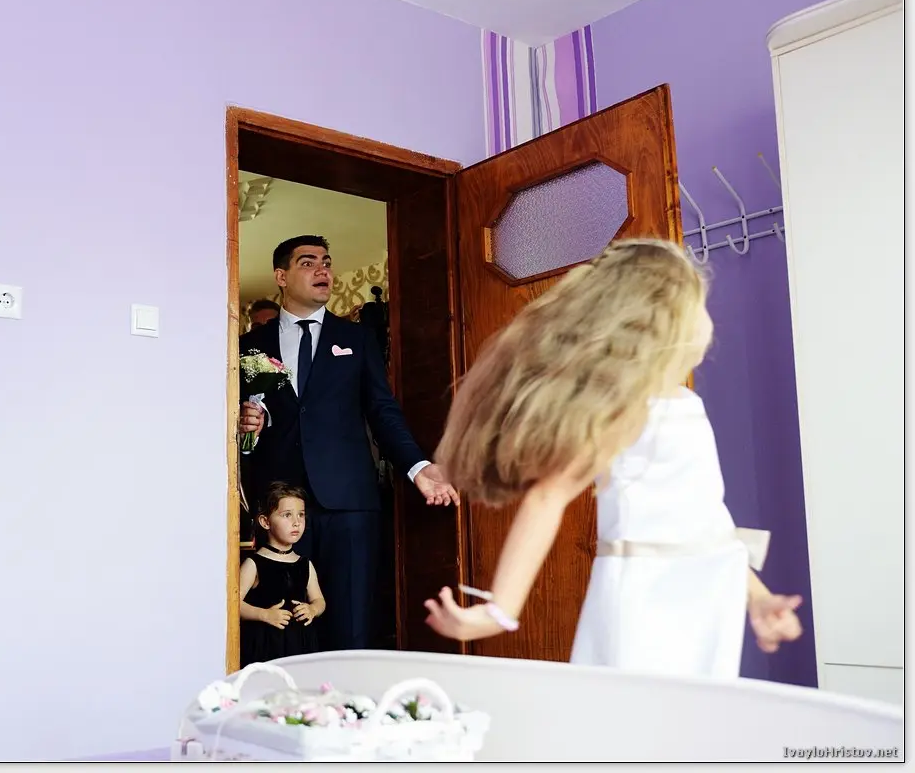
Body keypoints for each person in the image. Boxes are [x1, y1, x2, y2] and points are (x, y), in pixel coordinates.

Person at [423, 239, 803, 678]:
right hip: (647, 598)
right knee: (633, 712)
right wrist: (500, 611)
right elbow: (547, 497)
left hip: (710, 594)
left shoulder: (685, 403)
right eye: (697, 306)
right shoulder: (621, 409)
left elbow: (707, 526)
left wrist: (758, 598)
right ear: (666, 321)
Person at [238, 235, 459, 652]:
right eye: (308, 263)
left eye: (326, 262)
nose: (323, 270)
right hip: (281, 504)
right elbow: (243, 421)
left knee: (352, 619)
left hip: (349, 503)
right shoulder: (251, 346)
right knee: (284, 622)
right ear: (281, 276)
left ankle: (351, 693)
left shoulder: (356, 338)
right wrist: (244, 427)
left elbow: (382, 411)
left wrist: (417, 466)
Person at [239, 483, 324, 666]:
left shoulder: (305, 564)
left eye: (301, 514)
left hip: (300, 645)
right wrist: (264, 614)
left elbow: (319, 600)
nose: (296, 522)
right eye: (287, 515)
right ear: (265, 522)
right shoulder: (254, 564)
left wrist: (312, 610)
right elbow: (233, 605)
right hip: (267, 646)